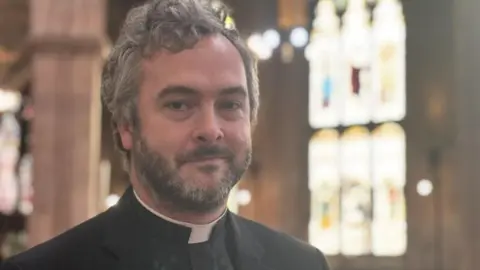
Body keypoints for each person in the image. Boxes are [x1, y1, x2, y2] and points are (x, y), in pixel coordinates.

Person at [0, 0, 330, 269]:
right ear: (126, 126)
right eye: (179, 105)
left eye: (230, 104)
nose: (210, 130)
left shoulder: (300, 263)